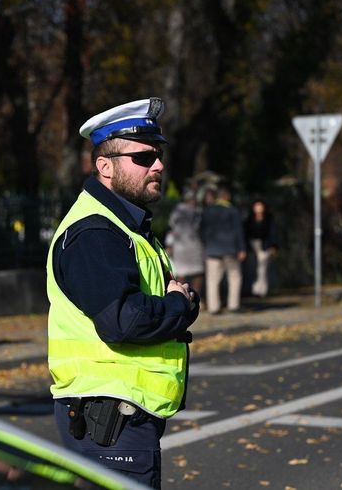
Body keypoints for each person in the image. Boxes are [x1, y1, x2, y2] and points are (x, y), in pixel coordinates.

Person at [46, 97, 200, 489]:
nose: (158, 165)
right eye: (144, 158)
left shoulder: (125, 227)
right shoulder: (96, 232)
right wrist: (179, 304)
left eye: (159, 155)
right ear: (105, 166)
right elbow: (123, 320)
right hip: (110, 423)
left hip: (120, 418)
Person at [200, 186, 246, 314]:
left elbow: (202, 231)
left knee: (212, 279)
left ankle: (214, 307)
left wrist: (206, 246)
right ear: (228, 197)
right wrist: (241, 248)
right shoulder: (232, 211)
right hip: (230, 249)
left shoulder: (208, 211)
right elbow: (238, 231)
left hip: (212, 250)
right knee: (234, 277)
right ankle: (233, 305)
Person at [165, 188, 205, 296]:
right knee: (198, 273)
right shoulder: (197, 212)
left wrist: (169, 245)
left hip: (180, 247)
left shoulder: (177, 211)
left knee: (181, 273)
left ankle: (181, 297)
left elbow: (172, 228)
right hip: (194, 246)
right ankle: (196, 297)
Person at [244, 200, 279, 297]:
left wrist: (274, 246)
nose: (258, 209)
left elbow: (273, 233)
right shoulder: (249, 219)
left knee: (263, 268)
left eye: (260, 206)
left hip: (265, 245)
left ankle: (261, 290)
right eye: (256, 206)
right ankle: (253, 288)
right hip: (253, 245)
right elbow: (246, 233)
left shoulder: (269, 219)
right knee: (253, 268)